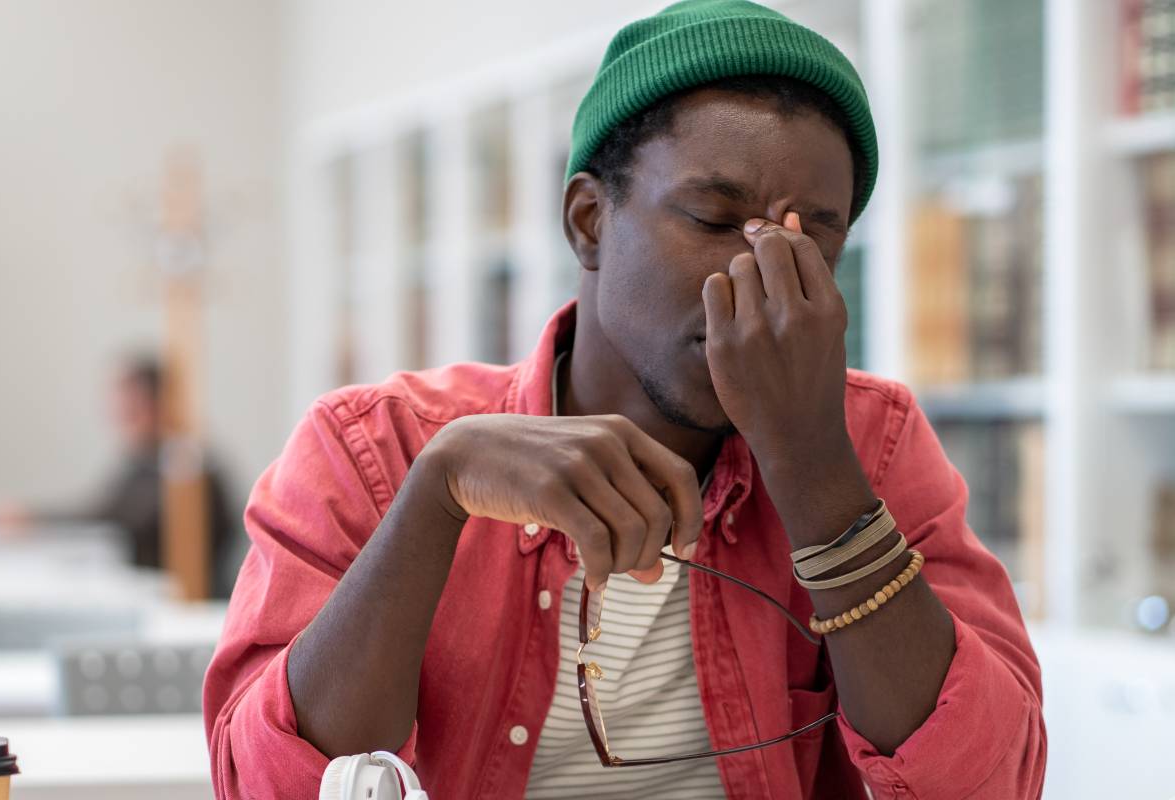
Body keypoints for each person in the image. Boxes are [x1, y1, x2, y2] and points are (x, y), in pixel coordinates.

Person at [203, 2, 1044, 797]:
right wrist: (437, 496)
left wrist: (814, 460)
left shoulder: (871, 440)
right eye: (716, 218)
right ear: (588, 222)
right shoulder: (378, 448)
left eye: (811, 239)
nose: (758, 277)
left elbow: (995, 781)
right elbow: (266, 782)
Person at [0, 354, 243, 599]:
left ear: (158, 406)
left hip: (196, 601)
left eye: (132, 411)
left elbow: (119, 516)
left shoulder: (184, 463)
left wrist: (35, 521)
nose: (121, 420)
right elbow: (105, 509)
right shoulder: (143, 462)